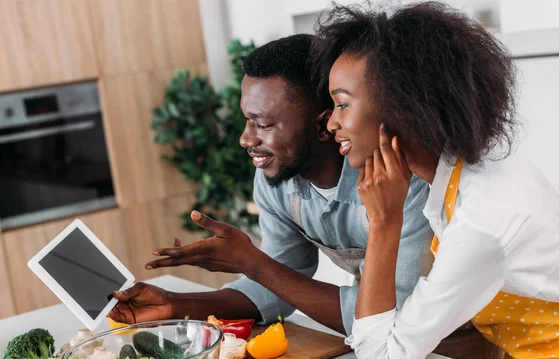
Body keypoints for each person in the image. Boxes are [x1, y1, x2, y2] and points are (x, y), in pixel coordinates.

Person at [311, 1, 559, 359]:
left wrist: (384, 222)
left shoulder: (484, 218)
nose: (331, 122)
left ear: (404, 104)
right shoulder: (471, 170)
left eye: (342, 103)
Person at [109, 34, 433, 337]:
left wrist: (252, 262)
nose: (246, 139)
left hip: (451, 338)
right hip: (381, 343)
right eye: (247, 121)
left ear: (324, 125)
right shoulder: (277, 180)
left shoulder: (401, 181)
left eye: (263, 124)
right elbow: (279, 286)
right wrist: (176, 305)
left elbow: (399, 316)